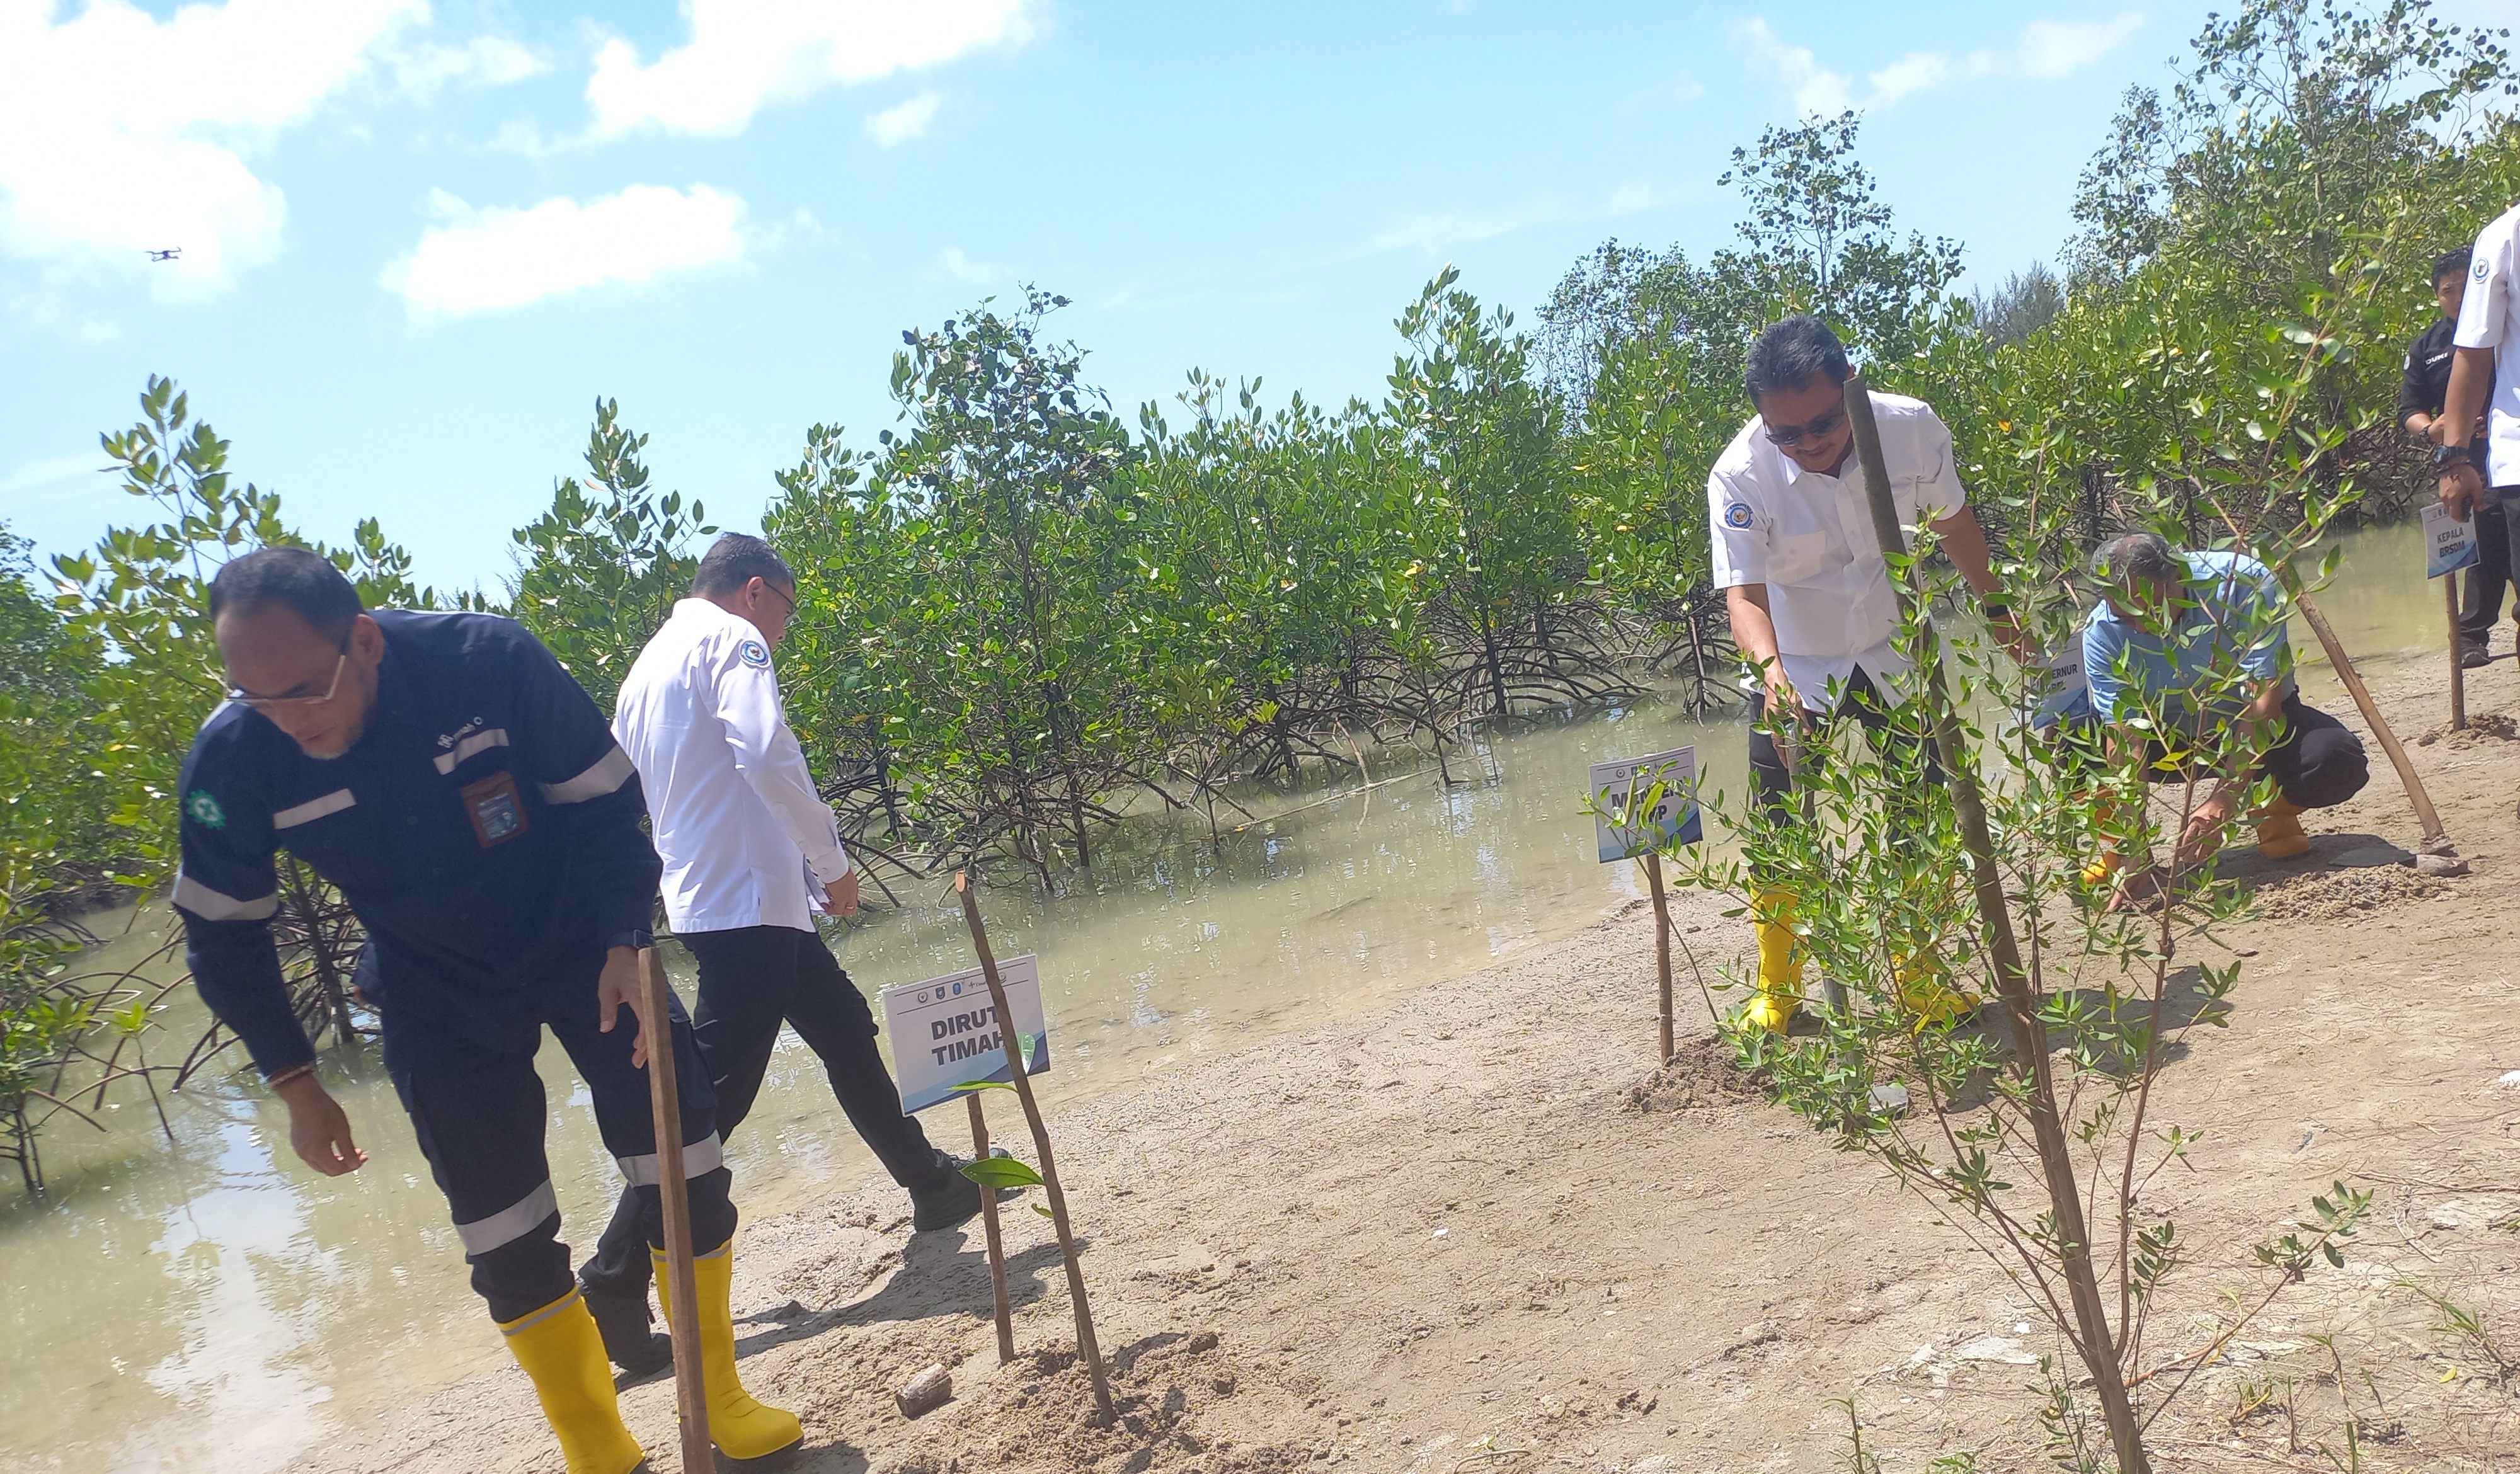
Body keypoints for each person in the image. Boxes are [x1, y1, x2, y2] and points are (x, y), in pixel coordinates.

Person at [173, 548, 799, 1473]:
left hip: (584, 944)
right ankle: (599, 1449)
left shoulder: (488, 660)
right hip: (432, 989)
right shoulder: (236, 758)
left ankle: (724, 1403)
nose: (286, 720)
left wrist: (629, 940)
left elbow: (603, 812)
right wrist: (296, 1081)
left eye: (303, 690)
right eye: (253, 696)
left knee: (686, 1164)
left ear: (365, 641)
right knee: (503, 1234)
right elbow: (223, 935)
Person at [578, 533, 985, 1374]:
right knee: (712, 1101)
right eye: (788, 616)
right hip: (750, 901)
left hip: (714, 897)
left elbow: (633, 792)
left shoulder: (646, 667)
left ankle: (931, 1186)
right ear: (757, 592)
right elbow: (764, 751)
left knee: (843, 1028)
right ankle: (615, 1275)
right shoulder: (730, 639)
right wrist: (830, 862)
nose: (784, 635)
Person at [1707, 314, 2019, 1032]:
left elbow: (1955, 524)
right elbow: (1744, 593)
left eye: (1821, 424)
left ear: (1849, 385)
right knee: (1780, 829)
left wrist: (1999, 612)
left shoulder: (1907, 428)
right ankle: (1778, 991)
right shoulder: (1739, 473)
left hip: (1895, 647)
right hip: (1794, 665)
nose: (1809, 445)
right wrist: (1773, 673)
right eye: (1787, 434)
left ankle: (1920, 976)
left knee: (1922, 814)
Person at [2078, 532, 2369, 901]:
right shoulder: (2101, 630)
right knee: (2072, 749)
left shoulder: (2243, 582)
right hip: (2168, 741)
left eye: (2150, 610)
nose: (2140, 627)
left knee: (2334, 759)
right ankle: (2124, 854)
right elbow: (2126, 739)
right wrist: (2133, 837)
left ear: (2178, 576)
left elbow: (2263, 700)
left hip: (2252, 724)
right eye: (2125, 617)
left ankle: (2273, 816)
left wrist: (2224, 799)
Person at [2398, 245, 2502, 666]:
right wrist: (2434, 428)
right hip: (2459, 460)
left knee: (2495, 530)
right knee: (2485, 534)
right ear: (2437, 296)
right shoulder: (2427, 347)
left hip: (2506, 449)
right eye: (2448, 290)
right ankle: (2471, 635)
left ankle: (2472, 633)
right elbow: (2409, 410)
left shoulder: (2506, 326)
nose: (2459, 298)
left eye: (2465, 287)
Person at [2436, 202, 2520, 636]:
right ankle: (2473, 635)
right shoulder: (2505, 236)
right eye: (2447, 290)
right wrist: (2453, 455)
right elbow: (2474, 357)